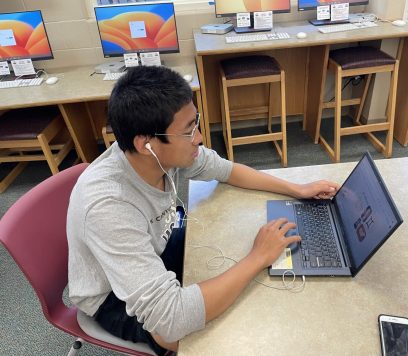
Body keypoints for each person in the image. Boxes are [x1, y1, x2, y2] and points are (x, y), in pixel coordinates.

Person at [67, 65, 340, 355]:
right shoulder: (108, 206)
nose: (198, 138)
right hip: (111, 296)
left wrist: (297, 189)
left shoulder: (158, 156)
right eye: (188, 131)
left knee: (228, 248)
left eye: (195, 124)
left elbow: (226, 170)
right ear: (146, 144)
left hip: (154, 245)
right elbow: (170, 320)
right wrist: (258, 257)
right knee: (214, 332)